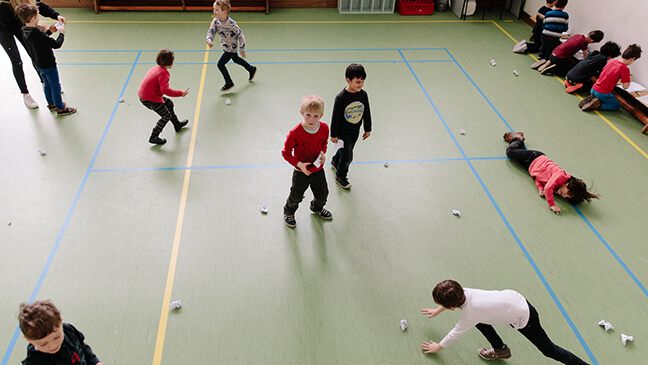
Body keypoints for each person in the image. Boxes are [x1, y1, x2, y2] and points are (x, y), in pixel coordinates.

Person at [421, 280, 590, 364]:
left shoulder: (470, 314)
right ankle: (501, 350)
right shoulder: (464, 292)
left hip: (524, 318)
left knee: (550, 350)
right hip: (517, 301)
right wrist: (438, 310)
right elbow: (455, 303)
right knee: (480, 322)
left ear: (451, 307)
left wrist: (438, 347)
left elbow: (454, 335)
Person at [503, 132, 598, 214]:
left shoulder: (557, 189)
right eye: (568, 193)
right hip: (534, 158)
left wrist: (540, 189)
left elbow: (539, 179)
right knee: (510, 152)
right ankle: (517, 139)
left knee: (518, 154)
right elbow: (548, 187)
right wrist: (552, 205)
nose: (564, 196)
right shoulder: (560, 176)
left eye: (567, 197)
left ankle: (519, 140)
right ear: (567, 184)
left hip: (530, 167)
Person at [0, 0, 65, 109]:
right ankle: (25, 94)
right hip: (3, 29)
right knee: (16, 61)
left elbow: (37, 5)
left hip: (18, 24)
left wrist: (56, 15)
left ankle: (45, 82)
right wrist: (31, 26)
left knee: (33, 52)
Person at [282, 95, 332, 228]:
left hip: (318, 170)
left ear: (321, 115)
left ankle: (316, 207)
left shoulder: (325, 128)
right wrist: (299, 164)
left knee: (323, 194)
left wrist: (322, 153)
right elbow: (286, 153)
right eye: (308, 115)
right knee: (296, 196)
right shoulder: (295, 133)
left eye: (316, 116)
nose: (311, 119)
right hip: (301, 172)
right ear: (301, 113)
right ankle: (289, 212)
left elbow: (324, 144)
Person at [16, 2, 75, 115]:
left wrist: (49, 32)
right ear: (33, 18)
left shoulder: (24, 31)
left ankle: (51, 104)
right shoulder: (38, 33)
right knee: (55, 86)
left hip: (39, 65)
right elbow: (56, 44)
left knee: (47, 85)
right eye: (38, 16)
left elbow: (39, 42)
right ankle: (60, 108)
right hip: (49, 64)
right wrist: (61, 34)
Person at [18, 300, 103, 365]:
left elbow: (81, 345)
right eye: (43, 344)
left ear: (61, 323)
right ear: (29, 340)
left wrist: (94, 362)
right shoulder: (35, 362)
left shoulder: (68, 330)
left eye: (57, 337)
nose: (53, 346)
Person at [330, 63, 372, 190]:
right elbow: (335, 117)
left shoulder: (363, 95)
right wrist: (333, 134)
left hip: (355, 130)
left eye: (362, 81)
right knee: (348, 156)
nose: (361, 84)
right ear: (348, 80)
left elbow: (366, 112)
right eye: (358, 82)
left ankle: (335, 161)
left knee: (345, 150)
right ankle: (341, 176)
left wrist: (367, 128)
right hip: (343, 132)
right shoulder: (341, 98)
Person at [137, 48, 189, 145]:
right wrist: (180, 93)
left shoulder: (156, 68)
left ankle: (177, 125)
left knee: (169, 103)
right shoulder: (164, 73)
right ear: (169, 62)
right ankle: (154, 136)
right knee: (166, 116)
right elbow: (165, 90)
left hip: (148, 95)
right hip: (149, 98)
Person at [206, 0, 257, 92]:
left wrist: (242, 48)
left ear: (224, 12)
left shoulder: (232, 24)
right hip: (225, 47)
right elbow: (211, 31)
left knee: (220, 64)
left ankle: (229, 82)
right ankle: (251, 69)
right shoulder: (215, 21)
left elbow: (240, 35)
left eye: (217, 10)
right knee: (236, 59)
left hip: (231, 48)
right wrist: (209, 40)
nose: (214, 11)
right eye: (214, 9)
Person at [580, 44, 642, 112]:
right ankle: (597, 105)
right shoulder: (625, 69)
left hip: (593, 88)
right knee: (616, 106)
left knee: (606, 97)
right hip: (602, 93)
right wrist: (629, 79)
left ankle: (592, 99)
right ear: (632, 59)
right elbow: (625, 87)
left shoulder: (612, 61)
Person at [538, 30, 604, 76]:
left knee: (567, 61)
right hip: (558, 58)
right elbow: (585, 56)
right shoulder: (584, 42)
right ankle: (553, 69)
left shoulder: (577, 35)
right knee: (571, 69)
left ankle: (549, 62)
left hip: (553, 53)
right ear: (592, 40)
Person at [530, 0, 569, 69]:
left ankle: (541, 55)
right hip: (554, 38)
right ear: (564, 6)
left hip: (544, 36)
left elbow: (544, 24)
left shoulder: (548, 13)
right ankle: (545, 61)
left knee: (544, 45)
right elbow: (565, 28)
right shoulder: (565, 15)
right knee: (550, 50)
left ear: (555, 3)